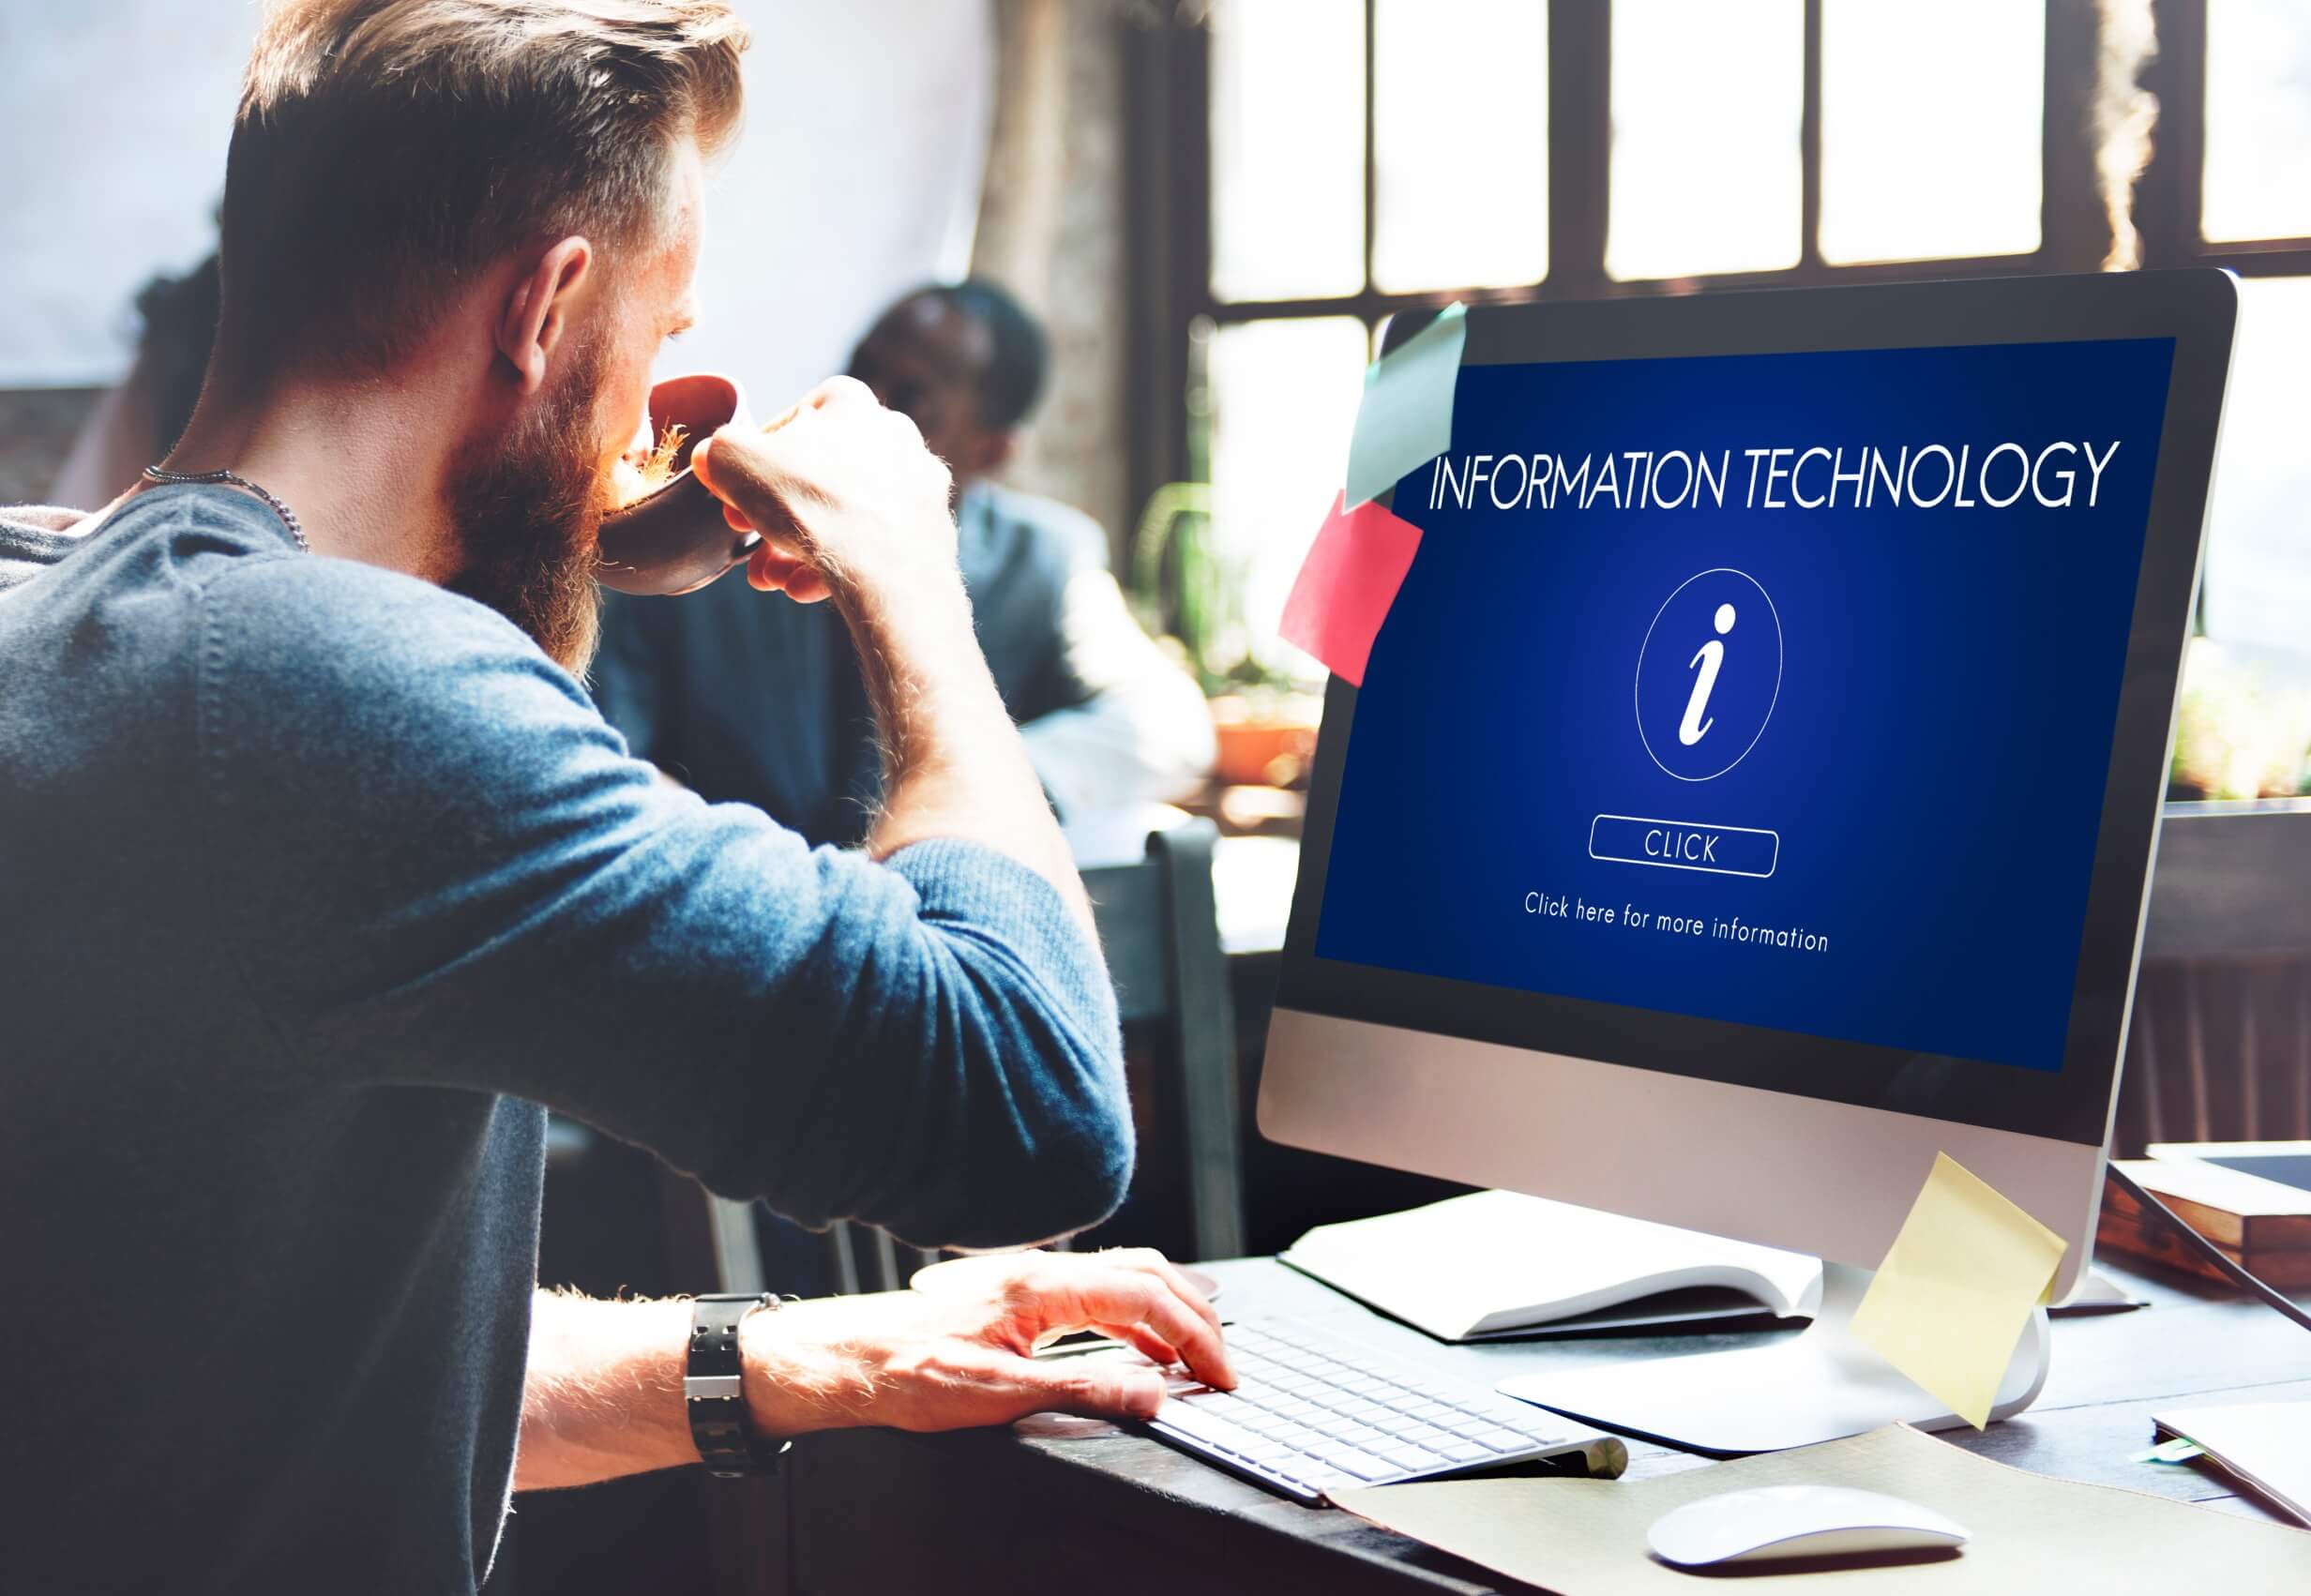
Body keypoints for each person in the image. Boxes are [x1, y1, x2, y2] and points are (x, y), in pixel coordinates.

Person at [0, 5, 1231, 1593]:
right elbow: (1032, 1103)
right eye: (659, 335)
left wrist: (830, 1354)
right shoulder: (331, 687)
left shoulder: (70, 610)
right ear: (547, 306)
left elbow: (266, 1376)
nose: (653, 398)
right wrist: (912, 583)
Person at [593, 279, 1216, 851]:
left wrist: (963, 797)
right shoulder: (707, 539)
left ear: (991, 450)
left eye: (913, 395)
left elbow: (1168, 726)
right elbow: (604, 756)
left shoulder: (1044, 559)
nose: (864, 403)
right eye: (862, 370)